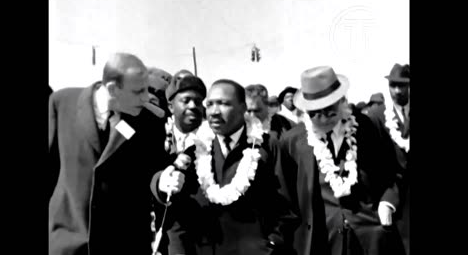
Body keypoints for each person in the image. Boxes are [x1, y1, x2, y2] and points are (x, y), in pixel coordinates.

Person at [154, 79, 299, 255]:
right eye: (210, 104)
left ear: (243, 108)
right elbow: (180, 217)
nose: (214, 112)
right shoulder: (195, 153)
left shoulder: (267, 148)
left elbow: (287, 210)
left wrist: (270, 245)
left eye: (223, 104)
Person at [48, 52, 168, 255]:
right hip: (68, 242)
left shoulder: (150, 121)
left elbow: (153, 174)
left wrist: (163, 180)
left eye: (147, 89)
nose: (146, 97)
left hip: (123, 244)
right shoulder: (61, 103)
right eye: (138, 91)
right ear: (113, 88)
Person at [280, 66, 405, 255]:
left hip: (370, 237)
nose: (322, 119)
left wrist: (387, 203)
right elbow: (286, 199)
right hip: (322, 241)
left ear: (342, 101)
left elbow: (394, 172)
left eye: (329, 110)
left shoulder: (366, 127)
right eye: (314, 113)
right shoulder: (292, 142)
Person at [150, 71, 208, 255]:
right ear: (170, 105)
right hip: (168, 231)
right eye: (186, 100)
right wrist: (160, 183)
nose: (193, 106)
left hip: (208, 232)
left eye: (198, 101)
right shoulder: (154, 137)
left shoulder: (215, 138)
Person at [368, 63, 410, 255]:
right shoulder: (377, 116)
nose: (397, 91)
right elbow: (375, 164)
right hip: (395, 199)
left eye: (402, 85)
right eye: (393, 85)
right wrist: (385, 199)